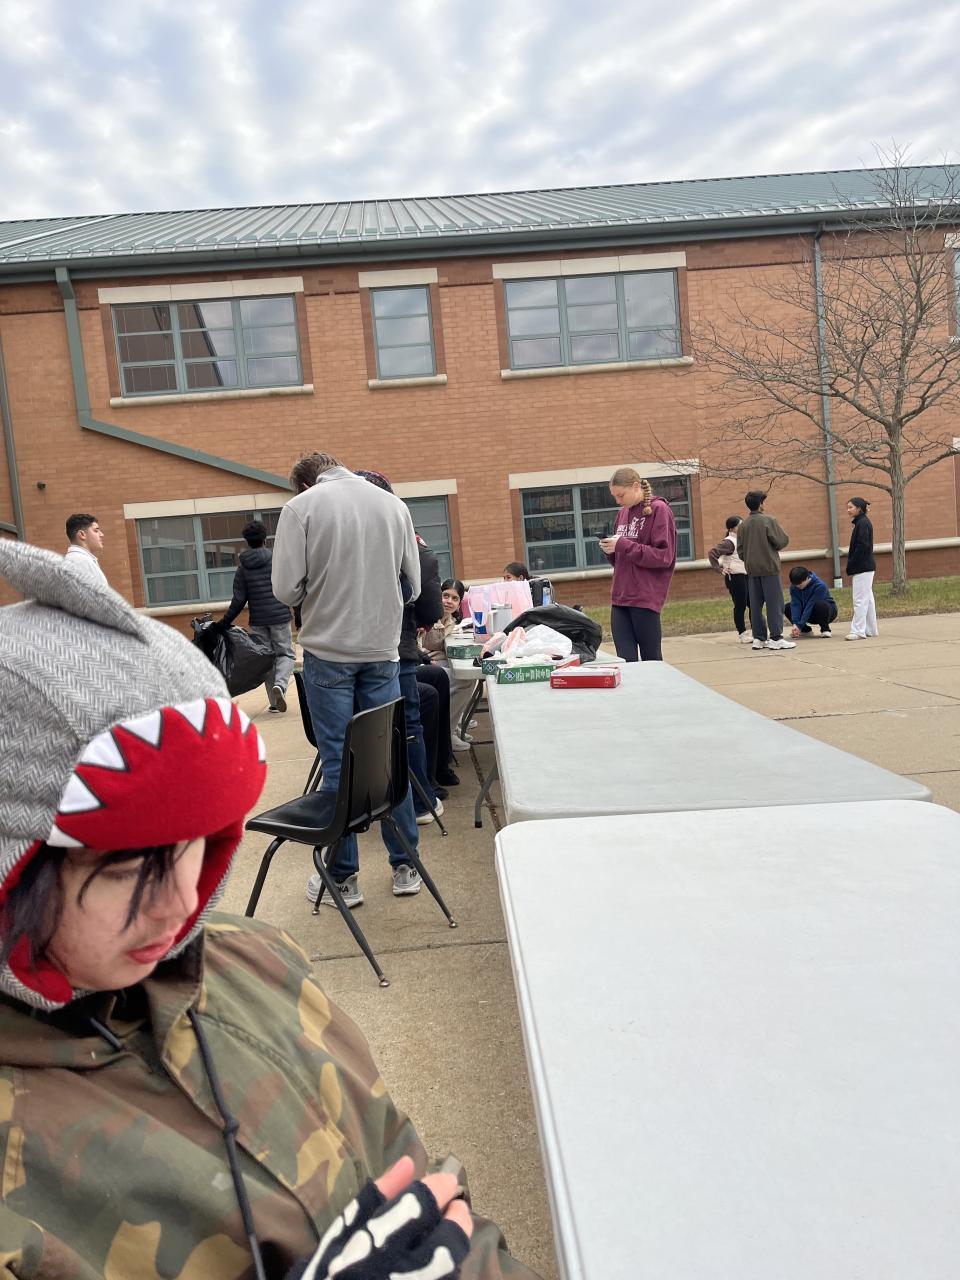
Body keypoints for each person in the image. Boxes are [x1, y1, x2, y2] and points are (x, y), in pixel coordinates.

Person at [0, 539, 536, 1280]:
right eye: (128, 870)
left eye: (201, 847)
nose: (181, 905)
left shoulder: (255, 963)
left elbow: (419, 1188)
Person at [271, 452, 424, 908]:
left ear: (305, 484)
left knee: (338, 764)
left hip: (329, 650)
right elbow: (413, 585)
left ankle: (343, 876)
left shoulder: (300, 508)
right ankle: (406, 864)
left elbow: (285, 589)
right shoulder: (392, 505)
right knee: (387, 757)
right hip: (381, 650)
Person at [354, 470, 445, 827]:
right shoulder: (413, 546)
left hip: (345, 652)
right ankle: (420, 803)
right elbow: (430, 609)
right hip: (396, 649)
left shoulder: (343, 538)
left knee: (365, 729)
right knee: (407, 726)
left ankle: (366, 804)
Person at [599, 468, 676, 662]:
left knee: (651, 659)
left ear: (635, 487)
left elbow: (663, 556)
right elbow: (620, 560)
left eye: (621, 495)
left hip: (644, 596)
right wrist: (611, 550)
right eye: (614, 496)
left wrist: (623, 545)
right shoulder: (622, 513)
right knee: (625, 660)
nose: (618, 501)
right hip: (620, 596)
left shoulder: (659, 510)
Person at [221, 519, 295, 713]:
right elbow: (290, 585)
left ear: (247, 541)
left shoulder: (243, 567)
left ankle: (274, 703)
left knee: (267, 659)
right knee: (286, 654)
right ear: (264, 539)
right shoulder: (276, 560)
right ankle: (281, 685)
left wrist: (223, 623)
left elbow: (238, 600)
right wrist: (297, 611)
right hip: (279, 616)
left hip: (258, 620)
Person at [737, 490, 795, 651]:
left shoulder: (743, 526)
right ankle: (776, 638)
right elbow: (782, 541)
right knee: (774, 604)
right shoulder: (768, 520)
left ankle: (759, 638)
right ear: (761, 504)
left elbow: (740, 551)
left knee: (755, 606)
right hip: (769, 568)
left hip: (752, 570)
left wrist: (750, 559)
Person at [421, 579, 475, 750]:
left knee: (468, 676)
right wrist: (428, 660)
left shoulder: (450, 621)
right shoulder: (428, 615)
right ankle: (446, 734)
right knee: (464, 680)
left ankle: (454, 723)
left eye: (454, 598)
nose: (449, 601)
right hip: (421, 664)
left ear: (459, 603)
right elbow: (415, 646)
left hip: (435, 662)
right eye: (445, 596)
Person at [708, 515, 751, 643]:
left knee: (753, 603)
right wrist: (719, 569)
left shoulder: (740, 539)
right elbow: (712, 553)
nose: (742, 528)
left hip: (745, 575)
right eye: (739, 525)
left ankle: (757, 631)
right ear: (732, 528)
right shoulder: (728, 542)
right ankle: (742, 634)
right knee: (740, 606)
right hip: (735, 578)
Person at [845, 496, 879, 640]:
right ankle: (871, 629)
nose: (848, 510)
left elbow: (863, 546)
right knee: (867, 599)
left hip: (862, 567)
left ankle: (858, 630)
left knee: (860, 600)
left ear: (859, 508)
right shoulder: (861, 522)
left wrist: (852, 562)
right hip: (865, 566)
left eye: (851, 507)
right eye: (847, 507)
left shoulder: (862, 523)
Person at [785, 565, 838, 637]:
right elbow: (795, 604)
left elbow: (810, 605)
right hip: (808, 613)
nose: (797, 586)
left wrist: (800, 625)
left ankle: (825, 629)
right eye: (795, 585)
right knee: (787, 607)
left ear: (807, 578)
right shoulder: (794, 587)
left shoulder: (820, 586)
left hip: (826, 613)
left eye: (799, 584)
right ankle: (805, 630)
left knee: (820, 605)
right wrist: (796, 624)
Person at [63, 512, 107, 583]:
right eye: (96, 530)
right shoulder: (81, 561)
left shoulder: (78, 560)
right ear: (82, 534)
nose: (101, 534)